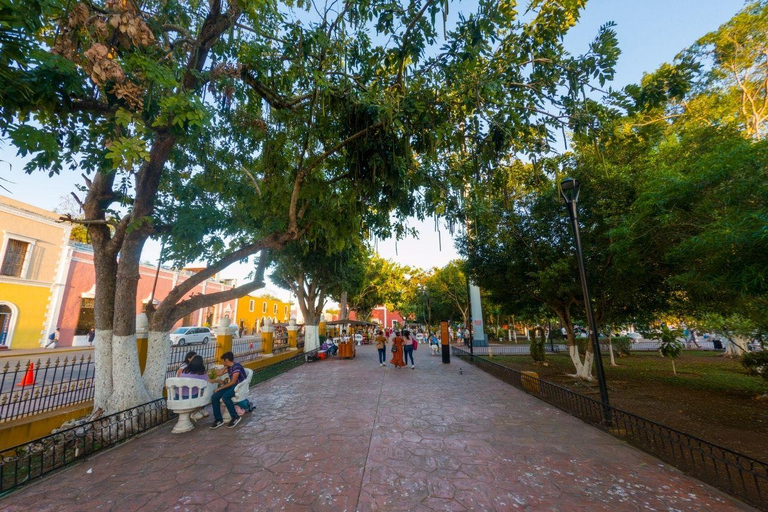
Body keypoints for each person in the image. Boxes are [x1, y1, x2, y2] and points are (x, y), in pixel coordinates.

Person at [209, 351, 246, 429]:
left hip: (238, 387)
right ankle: (218, 419)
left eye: (223, 360)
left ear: (226, 360)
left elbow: (233, 381)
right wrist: (225, 366)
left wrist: (219, 388)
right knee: (215, 397)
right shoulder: (230, 367)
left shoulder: (237, 366)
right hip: (232, 386)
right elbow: (219, 374)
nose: (222, 362)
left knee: (225, 397)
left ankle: (235, 417)